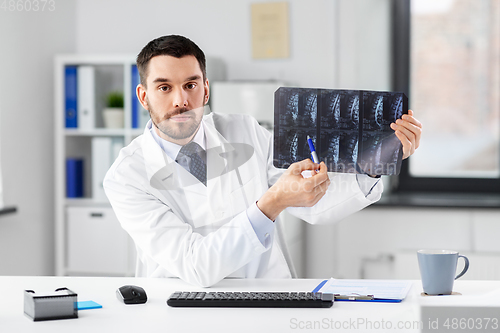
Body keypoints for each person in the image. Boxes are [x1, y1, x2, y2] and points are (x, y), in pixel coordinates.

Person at [103, 35, 422, 287]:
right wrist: (270, 203)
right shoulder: (127, 175)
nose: (180, 100)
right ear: (143, 96)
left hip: (268, 299)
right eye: (164, 87)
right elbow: (195, 266)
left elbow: (313, 201)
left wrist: (374, 164)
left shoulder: (243, 130)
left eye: (190, 85)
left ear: (206, 91)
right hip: (179, 308)